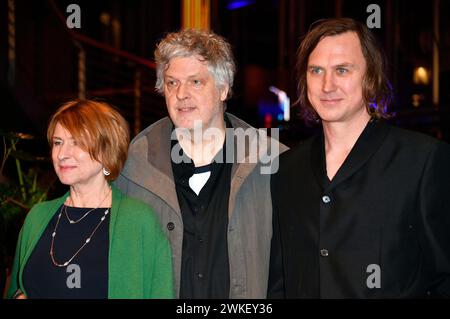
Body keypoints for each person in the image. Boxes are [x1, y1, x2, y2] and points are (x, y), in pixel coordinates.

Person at [272, 18, 450, 298]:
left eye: (342, 70)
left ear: (370, 77)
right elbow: (279, 281)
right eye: (316, 70)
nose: (327, 85)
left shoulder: (423, 161)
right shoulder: (286, 169)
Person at [116, 29, 287, 298]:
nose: (181, 94)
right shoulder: (132, 166)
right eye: (172, 83)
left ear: (223, 89)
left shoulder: (273, 163)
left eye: (195, 82)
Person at [7, 100, 174, 299]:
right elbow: (16, 288)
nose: (62, 154)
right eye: (58, 142)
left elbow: (161, 293)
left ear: (106, 151)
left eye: (77, 142)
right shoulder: (38, 216)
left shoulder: (138, 220)